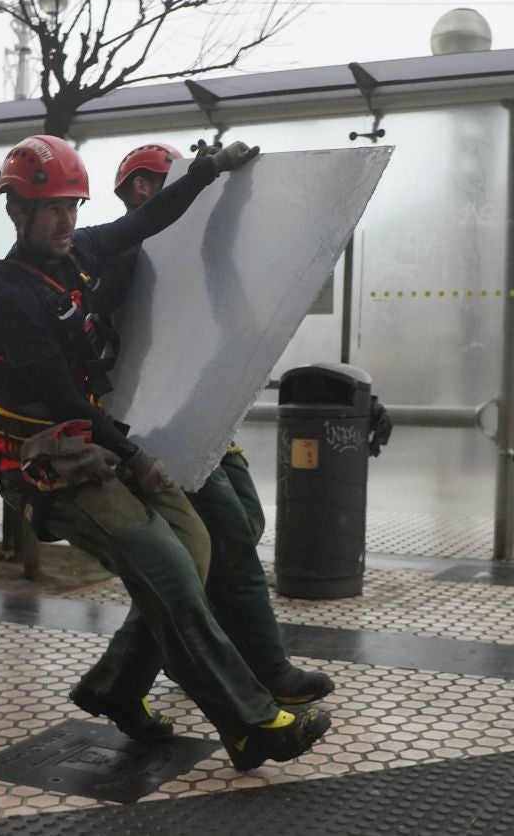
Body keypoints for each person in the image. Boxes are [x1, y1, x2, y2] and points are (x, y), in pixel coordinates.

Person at [0, 134, 329, 771]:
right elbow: (64, 403)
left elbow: (147, 218)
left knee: (193, 552)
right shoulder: (11, 299)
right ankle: (251, 725)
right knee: (166, 568)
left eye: (72, 205)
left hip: (94, 444)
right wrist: (136, 457)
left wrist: (206, 174)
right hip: (44, 464)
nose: (67, 220)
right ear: (16, 213)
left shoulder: (80, 252)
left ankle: (115, 686)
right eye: (51, 207)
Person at [106, 142, 335, 706]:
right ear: (143, 187)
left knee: (238, 528)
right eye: (177, 181)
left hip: (195, 415)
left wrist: (236, 197)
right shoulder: (124, 251)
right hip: (153, 423)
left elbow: (217, 275)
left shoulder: (172, 251)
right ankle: (265, 667)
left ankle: (142, 671)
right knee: (227, 536)